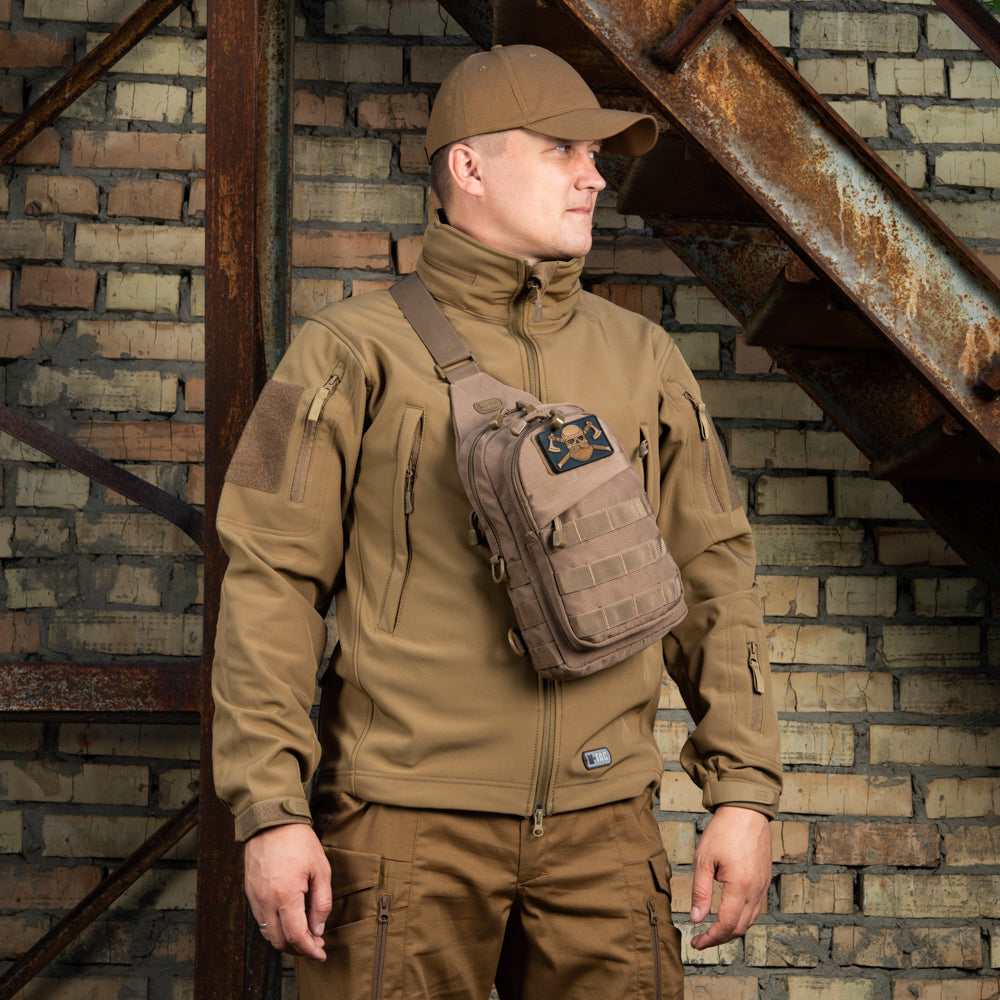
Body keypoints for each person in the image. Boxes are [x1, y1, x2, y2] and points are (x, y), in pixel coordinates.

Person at [212, 43, 782, 1000]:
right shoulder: (346, 353)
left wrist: (745, 791)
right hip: (403, 833)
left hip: (607, 834)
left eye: (594, 156)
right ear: (469, 168)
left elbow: (715, 578)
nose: (593, 177)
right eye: (563, 150)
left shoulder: (644, 359)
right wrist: (271, 809)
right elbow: (270, 584)